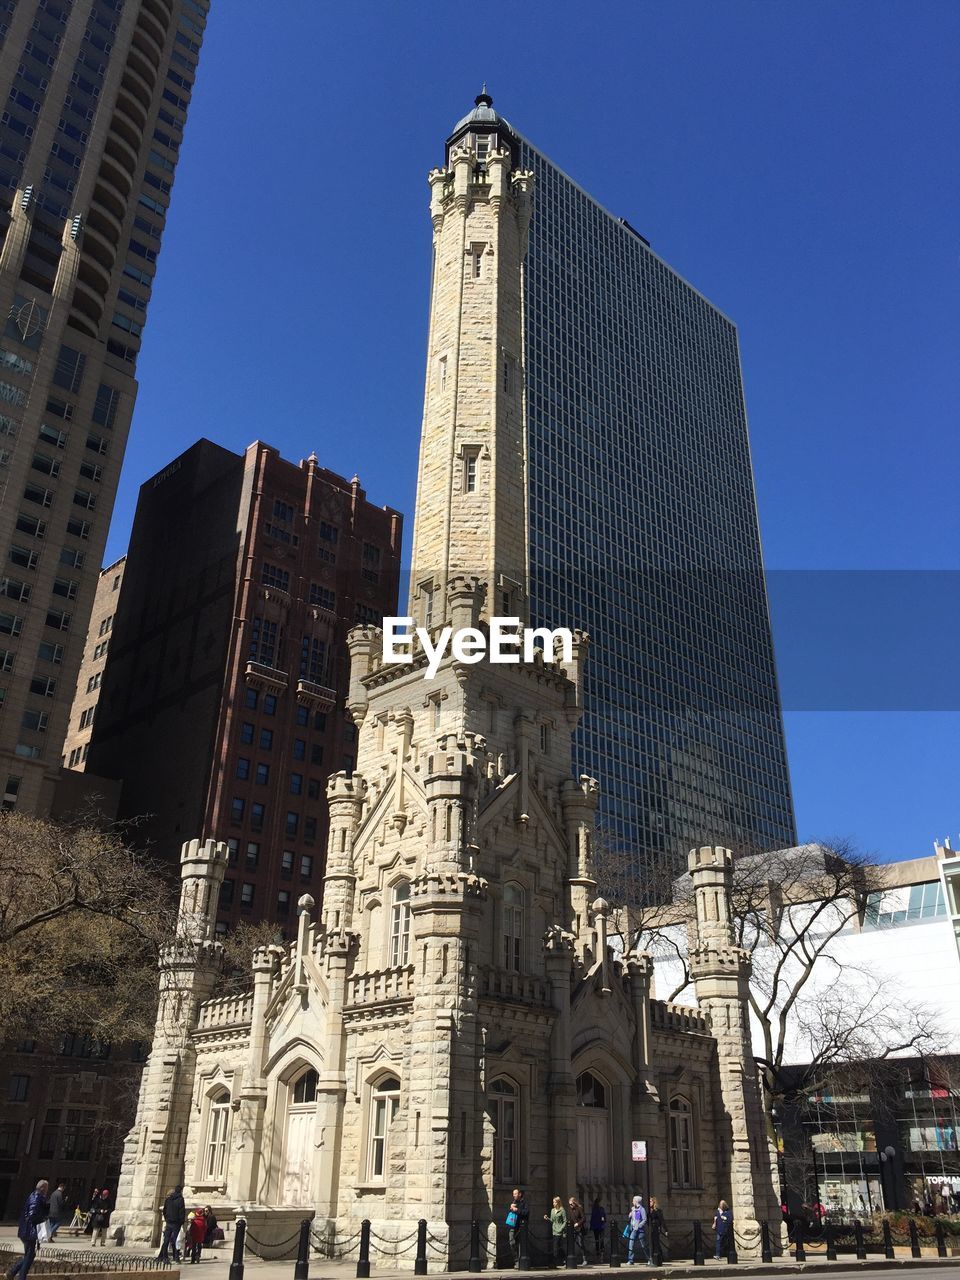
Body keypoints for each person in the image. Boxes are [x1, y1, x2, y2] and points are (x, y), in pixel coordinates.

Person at [8, 1179, 50, 1280]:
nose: (47, 1190)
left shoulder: (37, 1197)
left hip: (28, 1230)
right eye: (47, 1188)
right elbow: (33, 1215)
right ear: (42, 1188)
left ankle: (13, 1272)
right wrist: (43, 1219)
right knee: (29, 1255)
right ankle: (19, 1276)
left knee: (30, 1254)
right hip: (29, 1231)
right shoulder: (36, 1197)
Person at [158, 1185, 186, 1264]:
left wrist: (167, 1219)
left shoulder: (168, 1199)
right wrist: (181, 1222)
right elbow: (181, 1211)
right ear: (180, 1191)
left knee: (166, 1240)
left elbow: (164, 1210)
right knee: (176, 1240)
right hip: (176, 1223)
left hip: (169, 1222)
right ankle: (176, 1258)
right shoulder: (180, 1199)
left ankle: (164, 1257)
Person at [507, 1189, 529, 1268]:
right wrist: (511, 1208)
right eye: (513, 1194)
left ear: (519, 1194)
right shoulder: (513, 1203)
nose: (514, 1195)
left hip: (521, 1227)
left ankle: (521, 1261)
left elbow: (526, 1213)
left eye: (515, 1194)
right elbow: (510, 1215)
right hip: (512, 1226)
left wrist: (517, 1210)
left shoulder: (524, 1203)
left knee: (521, 1244)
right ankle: (516, 1260)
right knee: (511, 1242)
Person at [544, 1196, 567, 1268]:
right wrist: (547, 1218)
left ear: (558, 1202)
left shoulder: (562, 1210)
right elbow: (552, 1220)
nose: (553, 1203)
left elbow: (565, 1221)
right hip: (554, 1231)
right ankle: (565, 1259)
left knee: (555, 1247)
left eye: (554, 1202)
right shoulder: (552, 1210)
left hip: (559, 1231)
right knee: (559, 1247)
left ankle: (554, 1263)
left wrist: (561, 1229)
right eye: (553, 1202)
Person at [626, 1195, 649, 1265]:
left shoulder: (642, 1209)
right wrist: (630, 1214)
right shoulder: (633, 1209)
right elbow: (631, 1218)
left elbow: (644, 1219)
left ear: (636, 1201)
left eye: (633, 1200)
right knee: (631, 1244)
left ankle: (649, 1258)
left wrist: (639, 1226)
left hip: (640, 1230)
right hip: (633, 1229)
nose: (632, 1202)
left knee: (643, 1245)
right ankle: (630, 1260)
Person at [568, 1198, 586, 1265]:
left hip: (580, 1229)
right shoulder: (570, 1211)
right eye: (569, 1204)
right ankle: (571, 1258)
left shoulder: (579, 1209)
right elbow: (570, 1219)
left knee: (580, 1243)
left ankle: (584, 1259)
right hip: (573, 1229)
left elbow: (584, 1218)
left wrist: (578, 1223)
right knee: (571, 1244)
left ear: (574, 1203)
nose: (570, 1206)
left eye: (571, 1204)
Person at [648, 1197, 667, 1263]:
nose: (649, 1203)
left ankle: (659, 1257)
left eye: (650, 1201)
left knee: (656, 1242)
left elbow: (662, 1220)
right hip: (652, 1228)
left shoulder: (657, 1210)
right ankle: (656, 1256)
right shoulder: (649, 1210)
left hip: (656, 1227)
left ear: (654, 1202)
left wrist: (665, 1229)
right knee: (654, 1243)